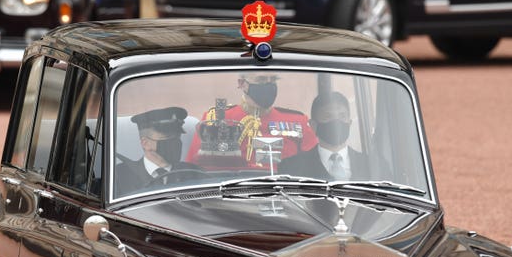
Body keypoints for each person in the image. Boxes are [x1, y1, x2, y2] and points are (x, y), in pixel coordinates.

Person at [185, 73, 317, 168]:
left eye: (273, 80)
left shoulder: (296, 121)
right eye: (261, 80)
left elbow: (316, 166)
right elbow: (194, 170)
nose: (268, 86)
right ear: (242, 84)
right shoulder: (215, 118)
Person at [279, 91, 370, 181]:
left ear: (349, 123)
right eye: (328, 117)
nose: (336, 122)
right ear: (313, 125)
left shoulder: (371, 164)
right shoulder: (291, 168)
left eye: (342, 116)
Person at [115, 106, 202, 196]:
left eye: (177, 137)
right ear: (145, 143)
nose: (174, 143)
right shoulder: (119, 176)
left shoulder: (194, 173)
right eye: (167, 138)